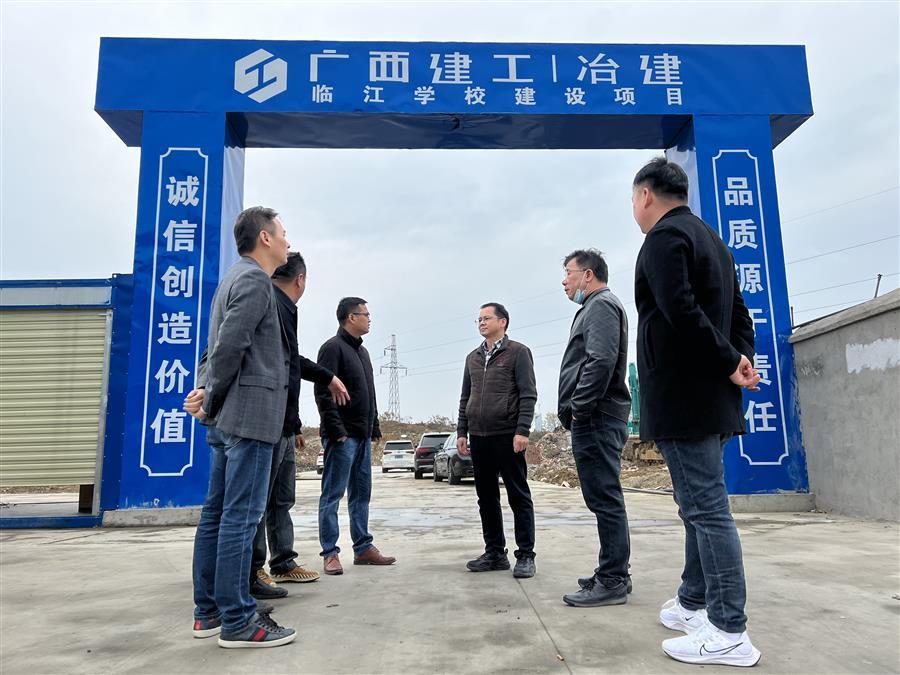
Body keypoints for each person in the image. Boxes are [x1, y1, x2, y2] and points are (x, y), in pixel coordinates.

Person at [632, 157, 762, 667]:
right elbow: (740, 313)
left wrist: (730, 362)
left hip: (686, 398)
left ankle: (729, 629)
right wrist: (738, 360)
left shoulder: (664, 238)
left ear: (645, 195)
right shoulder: (711, 239)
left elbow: (680, 310)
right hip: (713, 397)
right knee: (697, 505)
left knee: (707, 510)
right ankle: (694, 601)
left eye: (634, 200)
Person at [183, 206, 295, 649]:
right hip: (248, 419)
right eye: (283, 233)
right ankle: (238, 620)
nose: (287, 241)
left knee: (217, 515)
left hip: (229, 419)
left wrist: (205, 390)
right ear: (265, 238)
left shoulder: (232, 279)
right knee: (240, 519)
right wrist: (210, 397)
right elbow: (229, 347)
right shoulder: (253, 281)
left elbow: (213, 350)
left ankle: (209, 611)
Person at [249, 252, 350, 599]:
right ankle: (253, 569)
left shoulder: (285, 308)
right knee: (258, 502)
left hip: (283, 423)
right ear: (301, 279)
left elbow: (290, 365)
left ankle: (282, 561)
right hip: (264, 422)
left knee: (282, 498)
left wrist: (294, 424)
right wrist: (328, 377)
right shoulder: (269, 302)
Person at [556, 249, 633, 608]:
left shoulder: (601, 305)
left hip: (597, 417)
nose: (564, 281)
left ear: (588, 275)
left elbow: (600, 361)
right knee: (602, 497)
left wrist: (579, 409)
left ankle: (613, 579)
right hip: (597, 416)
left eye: (568, 273)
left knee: (605, 498)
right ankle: (613, 571)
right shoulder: (594, 307)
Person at [457, 303, 538, 579]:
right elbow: (465, 397)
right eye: (478, 319)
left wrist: (522, 430)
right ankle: (494, 553)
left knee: (518, 495)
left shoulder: (518, 352)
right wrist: (462, 432)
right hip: (479, 437)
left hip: (507, 436)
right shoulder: (472, 358)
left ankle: (525, 555)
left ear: (502, 321)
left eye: (486, 318)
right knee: (486, 497)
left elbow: (528, 394)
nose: (481, 322)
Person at [315, 297, 395, 575]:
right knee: (332, 495)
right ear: (351, 317)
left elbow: (369, 393)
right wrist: (336, 431)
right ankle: (330, 552)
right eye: (365, 314)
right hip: (342, 437)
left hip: (361, 435)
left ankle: (363, 548)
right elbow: (323, 392)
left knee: (361, 494)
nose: (369, 319)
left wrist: (374, 426)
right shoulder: (332, 348)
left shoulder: (363, 353)